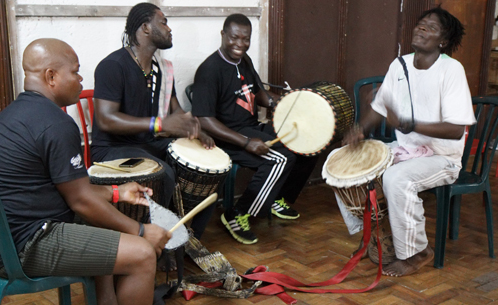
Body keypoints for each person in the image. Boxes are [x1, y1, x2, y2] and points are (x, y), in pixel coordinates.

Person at [0, 38, 171, 305]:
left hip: (8, 236)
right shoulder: (55, 124)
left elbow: (73, 190)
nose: (80, 79)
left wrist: (116, 191)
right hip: (26, 244)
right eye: (75, 71)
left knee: (104, 224)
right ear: (51, 76)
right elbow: (80, 200)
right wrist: (142, 232)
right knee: (143, 254)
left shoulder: (17, 113)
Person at [343, 6, 476, 277]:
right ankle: (375, 233)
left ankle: (417, 252)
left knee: (396, 178)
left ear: (443, 41)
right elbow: (380, 107)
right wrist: (359, 131)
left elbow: (455, 130)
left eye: (431, 27)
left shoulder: (451, 70)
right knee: (346, 165)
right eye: (420, 23)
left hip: (443, 156)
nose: (421, 28)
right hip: (407, 149)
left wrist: (408, 124)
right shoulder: (400, 65)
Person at [192, 14, 318, 245]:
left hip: (251, 128)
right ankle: (237, 214)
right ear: (223, 35)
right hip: (228, 137)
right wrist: (245, 143)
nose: (240, 44)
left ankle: (277, 198)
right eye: (234, 38)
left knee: (308, 144)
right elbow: (205, 120)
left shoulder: (244, 61)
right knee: (280, 158)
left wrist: (280, 102)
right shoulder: (209, 70)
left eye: (246, 39)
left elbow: (258, 92)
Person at [91, 3, 214, 239]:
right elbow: (106, 120)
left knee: (204, 166)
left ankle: (188, 236)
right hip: (111, 150)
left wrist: (195, 130)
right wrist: (159, 124)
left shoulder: (162, 69)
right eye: (164, 22)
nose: (169, 29)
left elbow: (176, 112)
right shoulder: (113, 66)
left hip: (146, 144)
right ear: (146, 28)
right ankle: (159, 241)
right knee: (164, 172)